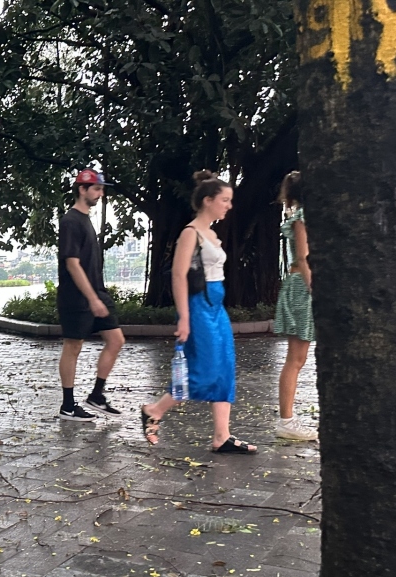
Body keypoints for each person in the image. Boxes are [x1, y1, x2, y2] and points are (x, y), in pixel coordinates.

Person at [139, 171, 257, 453]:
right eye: (224, 200)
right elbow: (178, 276)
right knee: (202, 371)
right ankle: (155, 409)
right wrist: (185, 318)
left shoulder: (212, 234)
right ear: (208, 201)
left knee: (225, 365)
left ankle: (222, 436)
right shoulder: (190, 234)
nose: (229, 205)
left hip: (216, 308)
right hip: (198, 307)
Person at [56, 168, 125, 421]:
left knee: (116, 340)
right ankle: (67, 406)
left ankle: (97, 395)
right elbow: (72, 264)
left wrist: (98, 296)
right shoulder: (71, 221)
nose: (100, 193)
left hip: (97, 293)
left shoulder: (86, 220)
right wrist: (91, 298)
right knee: (73, 347)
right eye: (96, 188)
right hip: (76, 297)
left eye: (101, 188)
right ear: (82, 189)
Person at [274, 172, 318, 441]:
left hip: (303, 286)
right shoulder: (300, 220)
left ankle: (287, 419)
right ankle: (286, 420)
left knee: (298, 358)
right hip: (302, 288)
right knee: (296, 358)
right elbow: (302, 259)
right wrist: (315, 289)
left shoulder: (304, 217)